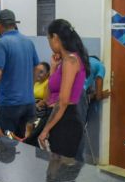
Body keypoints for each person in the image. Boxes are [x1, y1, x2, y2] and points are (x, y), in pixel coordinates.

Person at [23, 19, 89, 158]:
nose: (49, 44)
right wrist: (53, 67)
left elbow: (63, 101)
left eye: (48, 39)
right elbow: (48, 98)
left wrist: (46, 129)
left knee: (60, 173)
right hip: (54, 116)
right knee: (52, 172)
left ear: (55, 37)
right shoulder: (63, 62)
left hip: (66, 119)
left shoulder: (71, 61)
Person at [0, 9, 39, 138]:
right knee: (24, 143)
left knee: (6, 145)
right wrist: (29, 88)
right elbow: (36, 69)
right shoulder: (28, 42)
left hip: (9, 105)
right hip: (29, 103)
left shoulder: (2, 43)